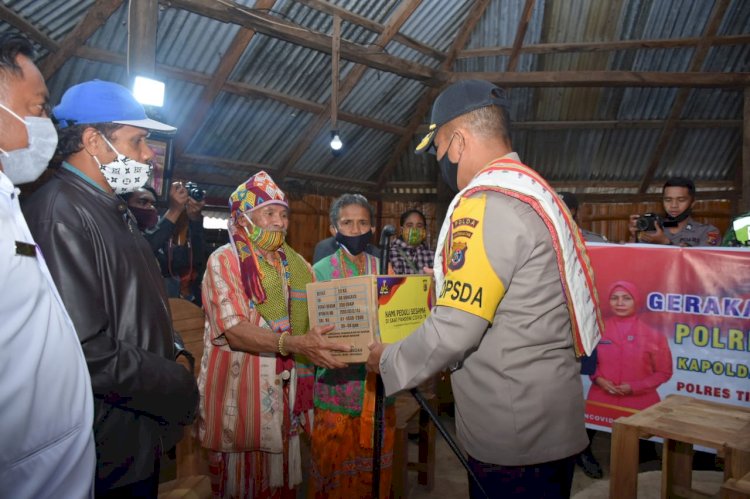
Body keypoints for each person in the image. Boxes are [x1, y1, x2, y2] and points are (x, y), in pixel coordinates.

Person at [366, 79, 603, 498]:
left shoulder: (487, 205)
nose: (439, 159)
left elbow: (456, 327)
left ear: (457, 142)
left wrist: (388, 361)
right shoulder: (537, 194)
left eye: (438, 147)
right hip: (548, 418)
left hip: (514, 433)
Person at [23, 79, 199, 497]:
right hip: (105, 438)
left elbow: (146, 299)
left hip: (136, 424)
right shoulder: (59, 212)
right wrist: (175, 380)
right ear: (93, 140)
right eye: (137, 140)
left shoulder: (108, 206)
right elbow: (86, 351)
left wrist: (177, 350)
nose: (146, 154)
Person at [198, 171, 348, 498]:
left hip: (284, 399)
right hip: (239, 399)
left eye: (283, 214)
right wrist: (291, 343)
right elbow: (234, 331)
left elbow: (326, 313)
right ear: (243, 219)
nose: (279, 222)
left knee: (281, 487)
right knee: (240, 486)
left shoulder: (297, 266)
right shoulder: (224, 261)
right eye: (269, 213)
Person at [0, 33, 96, 499]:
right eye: (37, 108)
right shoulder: (57, 206)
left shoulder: (9, 199)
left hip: (47, 467)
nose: (45, 124)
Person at [309, 193, 396, 498]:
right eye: (347, 223)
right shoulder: (319, 271)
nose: (356, 230)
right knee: (334, 477)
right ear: (334, 228)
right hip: (336, 393)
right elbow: (311, 333)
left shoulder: (385, 269)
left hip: (378, 391)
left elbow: (397, 321)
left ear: (372, 227)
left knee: (373, 479)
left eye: (363, 223)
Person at [557, 190, 606, 479]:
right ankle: (558, 449)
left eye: (565, 207)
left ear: (575, 211)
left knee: (585, 392)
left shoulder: (597, 243)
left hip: (584, 327)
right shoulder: (539, 237)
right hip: (552, 329)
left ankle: (583, 449)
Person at [587, 280, 672, 411]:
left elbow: (664, 372)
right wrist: (598, 379)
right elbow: (589, 362)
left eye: (627, 298)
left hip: (640, 405)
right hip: (601, 400)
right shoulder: (596, 329)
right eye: (614, 298)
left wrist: (635, 387)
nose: (620, 303)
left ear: (636, 301)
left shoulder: (654, 335)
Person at [123, 181, 206, 303]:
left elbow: (196, 258)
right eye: (142, 202)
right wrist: (174, 211)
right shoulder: (118, 235)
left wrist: (195, 219)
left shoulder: (163, 243)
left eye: (153, 204)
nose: (150, 207)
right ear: (125, 206)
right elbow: (144, 249)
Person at [629, 176, 720, 246]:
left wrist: (666, 243)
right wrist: (634, 236)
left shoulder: (708, 232)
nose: (673, 206)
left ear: (692, 203)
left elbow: (705, 263)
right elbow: (635, 261)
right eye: (668, 200)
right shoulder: (651, 230)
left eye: (681, 200)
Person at [388, 208, 435, 274]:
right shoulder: (389, 254)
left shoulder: (433, 256)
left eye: (419, 226)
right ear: (402, 230)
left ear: (424, 231)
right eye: (409, 225)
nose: (414, 229)